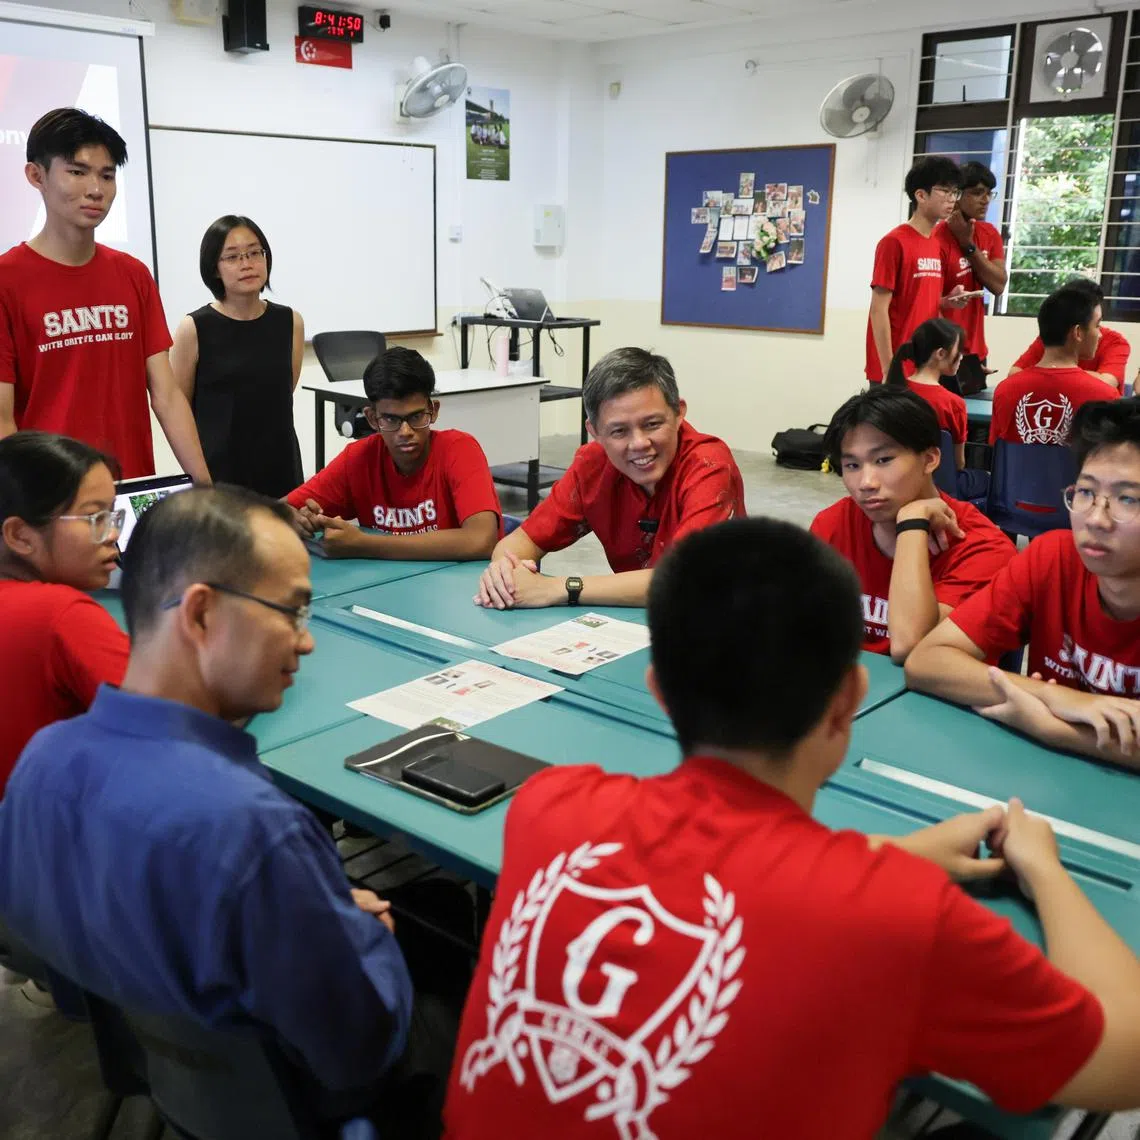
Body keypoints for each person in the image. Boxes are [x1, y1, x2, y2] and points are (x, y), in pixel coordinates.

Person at [445, 516, 1140, 1140]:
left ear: (658, 689)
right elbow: (1122, 1065)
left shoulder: (550, 805)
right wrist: (1043, 868)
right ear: (849, 702)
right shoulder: (898, 917)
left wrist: (894, 857)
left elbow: (722, 868)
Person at [0, 485, 453, 1135]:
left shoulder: (42, 765)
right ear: (204, 614)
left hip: (161, 1077)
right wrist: (361, 936)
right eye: (292, 611)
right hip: (299, 1107)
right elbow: (357, 1053)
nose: (306, 642)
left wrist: (309, 908)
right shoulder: (255, 832)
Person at [906, 400, 1140, 767]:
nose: (1096, 518)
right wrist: (1067, 700)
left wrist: (1051, 729)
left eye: (1128, 499)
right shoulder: (1053, 559)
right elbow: (926, 661)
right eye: (1086, 492)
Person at [0, 108, 209, 483]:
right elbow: (2, 420)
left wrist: (206, 487)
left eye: (107, 175)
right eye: (77, 172)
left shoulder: (133, 275)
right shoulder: (7, 280)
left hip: (132, 487)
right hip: (51, 500)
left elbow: (166, 396)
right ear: (37, 175)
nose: (96, 189)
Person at [474, 347, 745, 610]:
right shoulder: (593, 465)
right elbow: (521, 542)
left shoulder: (709, 466)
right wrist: (503, 572)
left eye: (652, 424)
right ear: (594, 432)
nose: (639, 443)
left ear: (678, 413)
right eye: (619, 431)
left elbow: (684, 580)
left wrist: (558, 588)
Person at [811, 387, 1013, 661]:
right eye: (852, 466)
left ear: (930, 459)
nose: (866, 483)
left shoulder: (983, 548)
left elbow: (910, 645)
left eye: (883, 460)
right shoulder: (833, 524)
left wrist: (911, 524)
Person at [0, 431, 128, 795]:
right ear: (21, 535)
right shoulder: (61, 614)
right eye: (95, 518)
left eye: (113, 516)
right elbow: (175, 725)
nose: (112, 536)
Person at [288, 346, 500, 560]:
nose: (405, 432)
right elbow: (274, 512)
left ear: (433, 410)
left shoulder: (459, 449)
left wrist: (365, 544)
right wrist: (296, 519)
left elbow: (481, 540)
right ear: (372, 419)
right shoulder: (360, 458)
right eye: (391, 419)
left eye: (416, 417)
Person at [169, 216, 304, 499]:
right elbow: (178, 411)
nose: (247, 263)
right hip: (219, 474)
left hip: (280, 467)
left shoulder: (289, 321)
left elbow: (282, 393)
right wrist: (200, 479)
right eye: (232, 257)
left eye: (255, 252)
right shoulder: (194, 327)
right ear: (214, 268)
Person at [865, 156, 969, 384]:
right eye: (945, 191)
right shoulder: (894, 242)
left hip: (924, 366)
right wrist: (888, 368)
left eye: (955, 192)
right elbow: (878, 309)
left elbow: (918, 300)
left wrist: (946, 301)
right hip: (895, 367)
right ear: (921, 195)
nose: (952, 199)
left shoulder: (935, 243)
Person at [991, 285, 1120, 447]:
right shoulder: (1106, 396)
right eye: (1097, 325)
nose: (1100, 334)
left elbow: (998, 452)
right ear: (1078, 332)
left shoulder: (1004, 390)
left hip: (1017, 473)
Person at [884, 317, 988, 499]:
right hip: (939, 488)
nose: (962, 356)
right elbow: (958, 463)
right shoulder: (953, 403)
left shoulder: (891, 392)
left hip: (896, 483)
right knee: (985, 479)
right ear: (940, 353)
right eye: (959, 350)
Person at [935, 161, 1007, 395]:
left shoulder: (989, 234)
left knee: (974, 426)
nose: (985, 200)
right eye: (977, 193)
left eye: (989, 193)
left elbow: (998, 285)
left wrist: (967, 244)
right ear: (957, 195)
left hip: (975, 350)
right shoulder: (936, 237)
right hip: (943, 350)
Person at [1009, 278, 1128, 394]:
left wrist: (1054, 374)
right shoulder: (1052, 336)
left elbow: (1107, 382)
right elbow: (1015, 373)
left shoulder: (1115, 342)